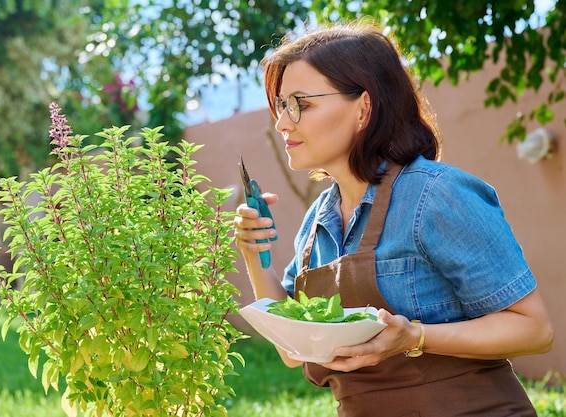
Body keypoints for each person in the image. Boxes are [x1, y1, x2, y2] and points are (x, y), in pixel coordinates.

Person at [233, 18, 554, 417]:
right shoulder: (317, 222)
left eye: (301, 104)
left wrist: (414, 337)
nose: (282, 122)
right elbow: (292, 352)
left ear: (363, 107)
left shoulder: (436, 194)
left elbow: (534, 329)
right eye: (281, 105)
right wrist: (253, 250)